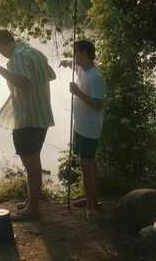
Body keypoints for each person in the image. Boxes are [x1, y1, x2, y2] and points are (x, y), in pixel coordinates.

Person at [0, 29, 56, 220]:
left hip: (28, 118)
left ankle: (33, 209)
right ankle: (31, 201)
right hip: (41, 114)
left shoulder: (17, 57)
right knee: (34, 162)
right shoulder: (34, 52)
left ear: (3, 44)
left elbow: (24, 82)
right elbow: (51, 75)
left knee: (31, 165)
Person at [60, 40, 106, 218]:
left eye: (76, 53)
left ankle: (91, 207)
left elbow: (98, 105)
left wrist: (78, 93)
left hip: (90, 129)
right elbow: (73, 65)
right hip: (79, 126)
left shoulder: (96, 77)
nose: (74, 56)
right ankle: (92, 199)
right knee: (89, 163)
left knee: (87, 167)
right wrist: (65, 62)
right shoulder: (81, 69)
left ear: (85, 53)